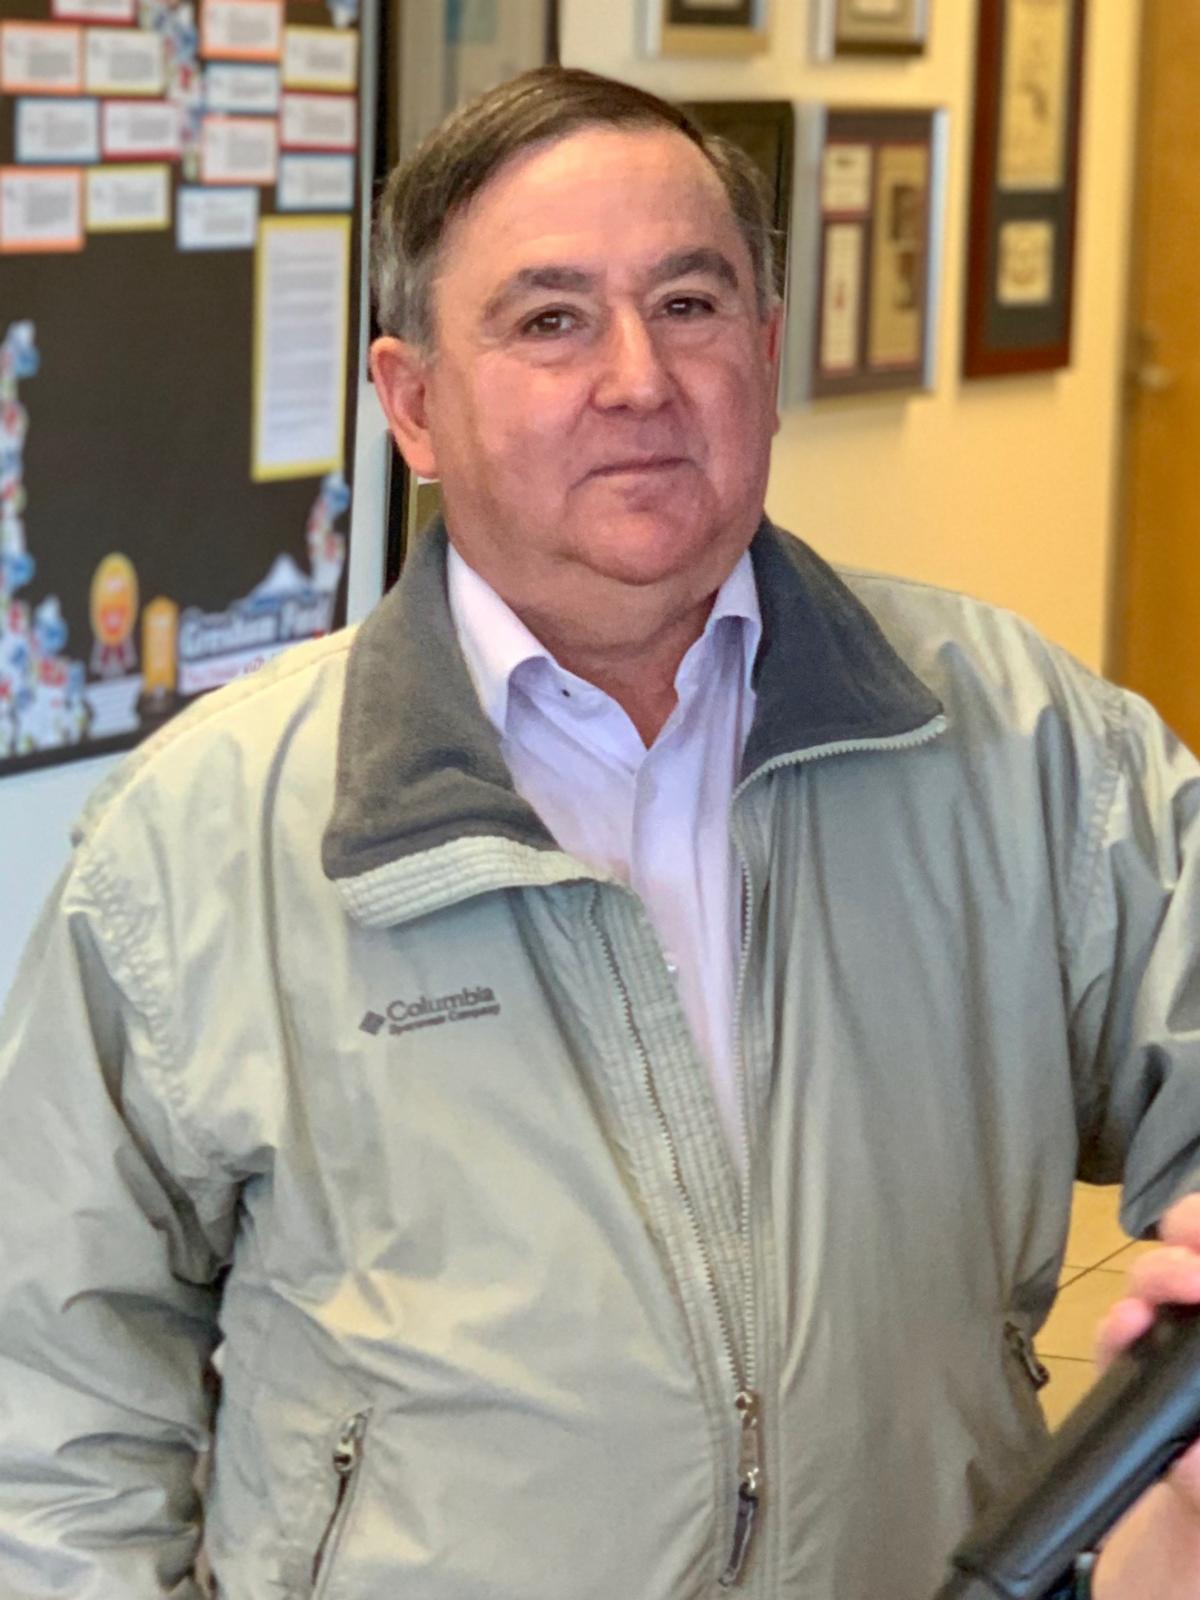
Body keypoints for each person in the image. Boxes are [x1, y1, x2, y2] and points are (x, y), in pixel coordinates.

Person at [1, 66, 1199, 1600]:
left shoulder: (1017, 743)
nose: (638, 379)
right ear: (413, 405)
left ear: (766, 353)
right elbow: (50, 1408)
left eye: (689, 305)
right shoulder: (197, 842)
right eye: (551, 319)